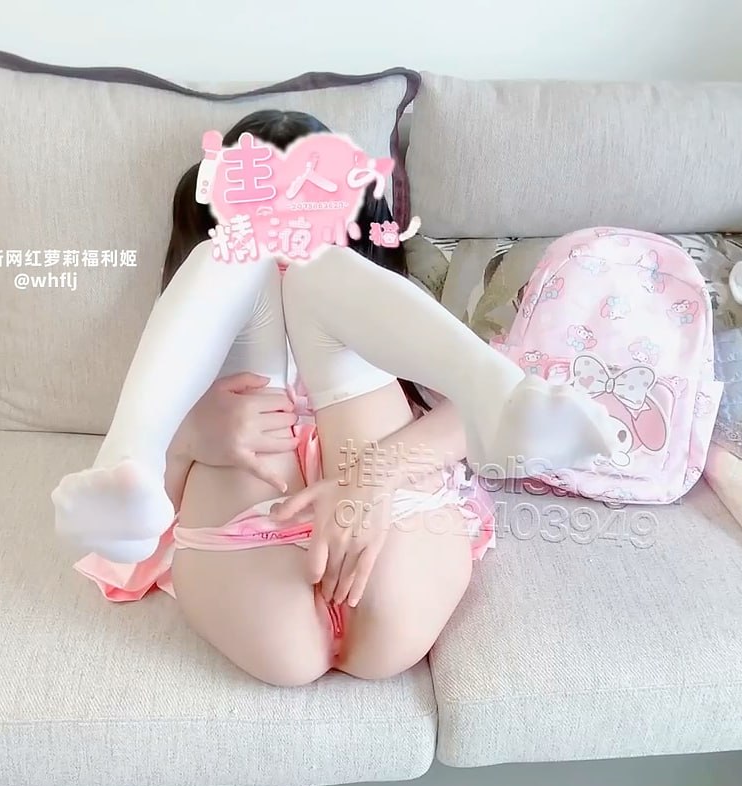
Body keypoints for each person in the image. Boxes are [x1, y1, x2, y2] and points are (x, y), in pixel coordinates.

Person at [52, 110, 615, 686]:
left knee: (317, 279)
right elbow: (151, 513)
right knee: (236, 266)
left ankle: (500, 395)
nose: (283, 243)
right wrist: (191, 441)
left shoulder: (389, 325)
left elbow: (452, 424)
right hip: (249, 547)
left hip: (392, 518)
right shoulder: (187, 352)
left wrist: (371, 476)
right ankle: (132, 452)